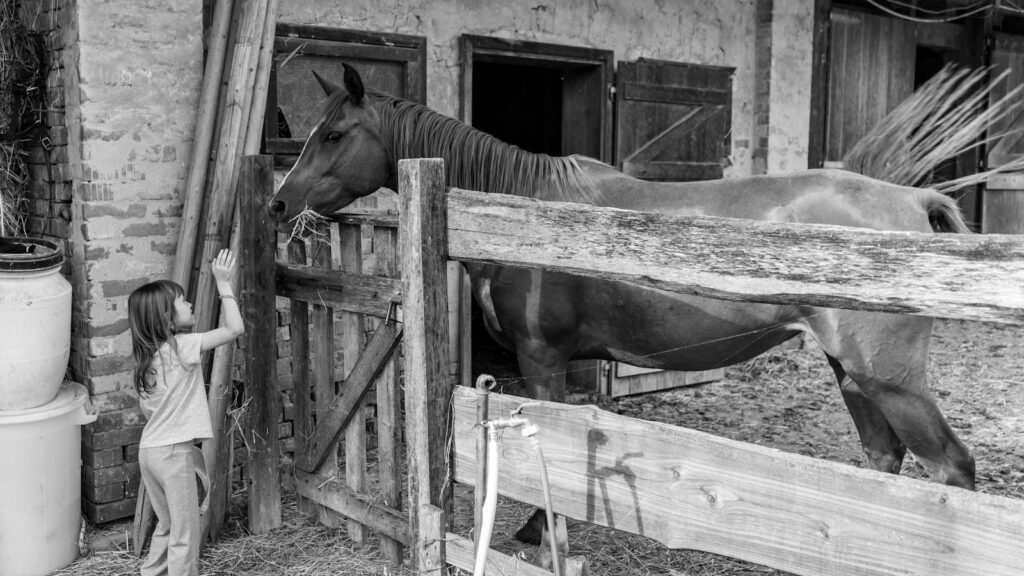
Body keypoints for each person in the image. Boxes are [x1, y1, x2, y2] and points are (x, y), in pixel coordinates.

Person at [128, 249, 245, 576]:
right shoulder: (182, 346)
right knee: (185, 535)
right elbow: (234, 329)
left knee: (167, 527)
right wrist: (224, 284)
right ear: (167, 318)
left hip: (149, 451)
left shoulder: (145, 362)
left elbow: (146, 410)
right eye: (182, 301)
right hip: (174, 454)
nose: (189, 303)